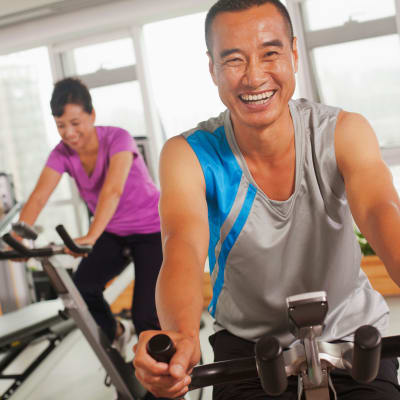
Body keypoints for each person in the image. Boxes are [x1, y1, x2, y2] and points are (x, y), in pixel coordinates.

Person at [133, 0, 400, 399]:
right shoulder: (188, 154)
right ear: (213, 70)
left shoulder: (342, 132)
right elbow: (182, 246)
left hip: (350, 333)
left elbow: (382, 211)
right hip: (248, 347)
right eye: (234, 60)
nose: (254, 77)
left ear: (293, 54)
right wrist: (180, 334)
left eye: (270, 54)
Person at [15, 77, 167, 399]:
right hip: (114, 231)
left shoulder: (119, 139)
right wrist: (18, 236)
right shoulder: (62, 154)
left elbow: (112, 191)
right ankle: (116, 331)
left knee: (145, 314)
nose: (69, 133)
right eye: (60, 126)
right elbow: (40, 195)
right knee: (82, 287)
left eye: (75, 123)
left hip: (151, 228)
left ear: (92, 115)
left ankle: (160, 388)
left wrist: (90, 237)